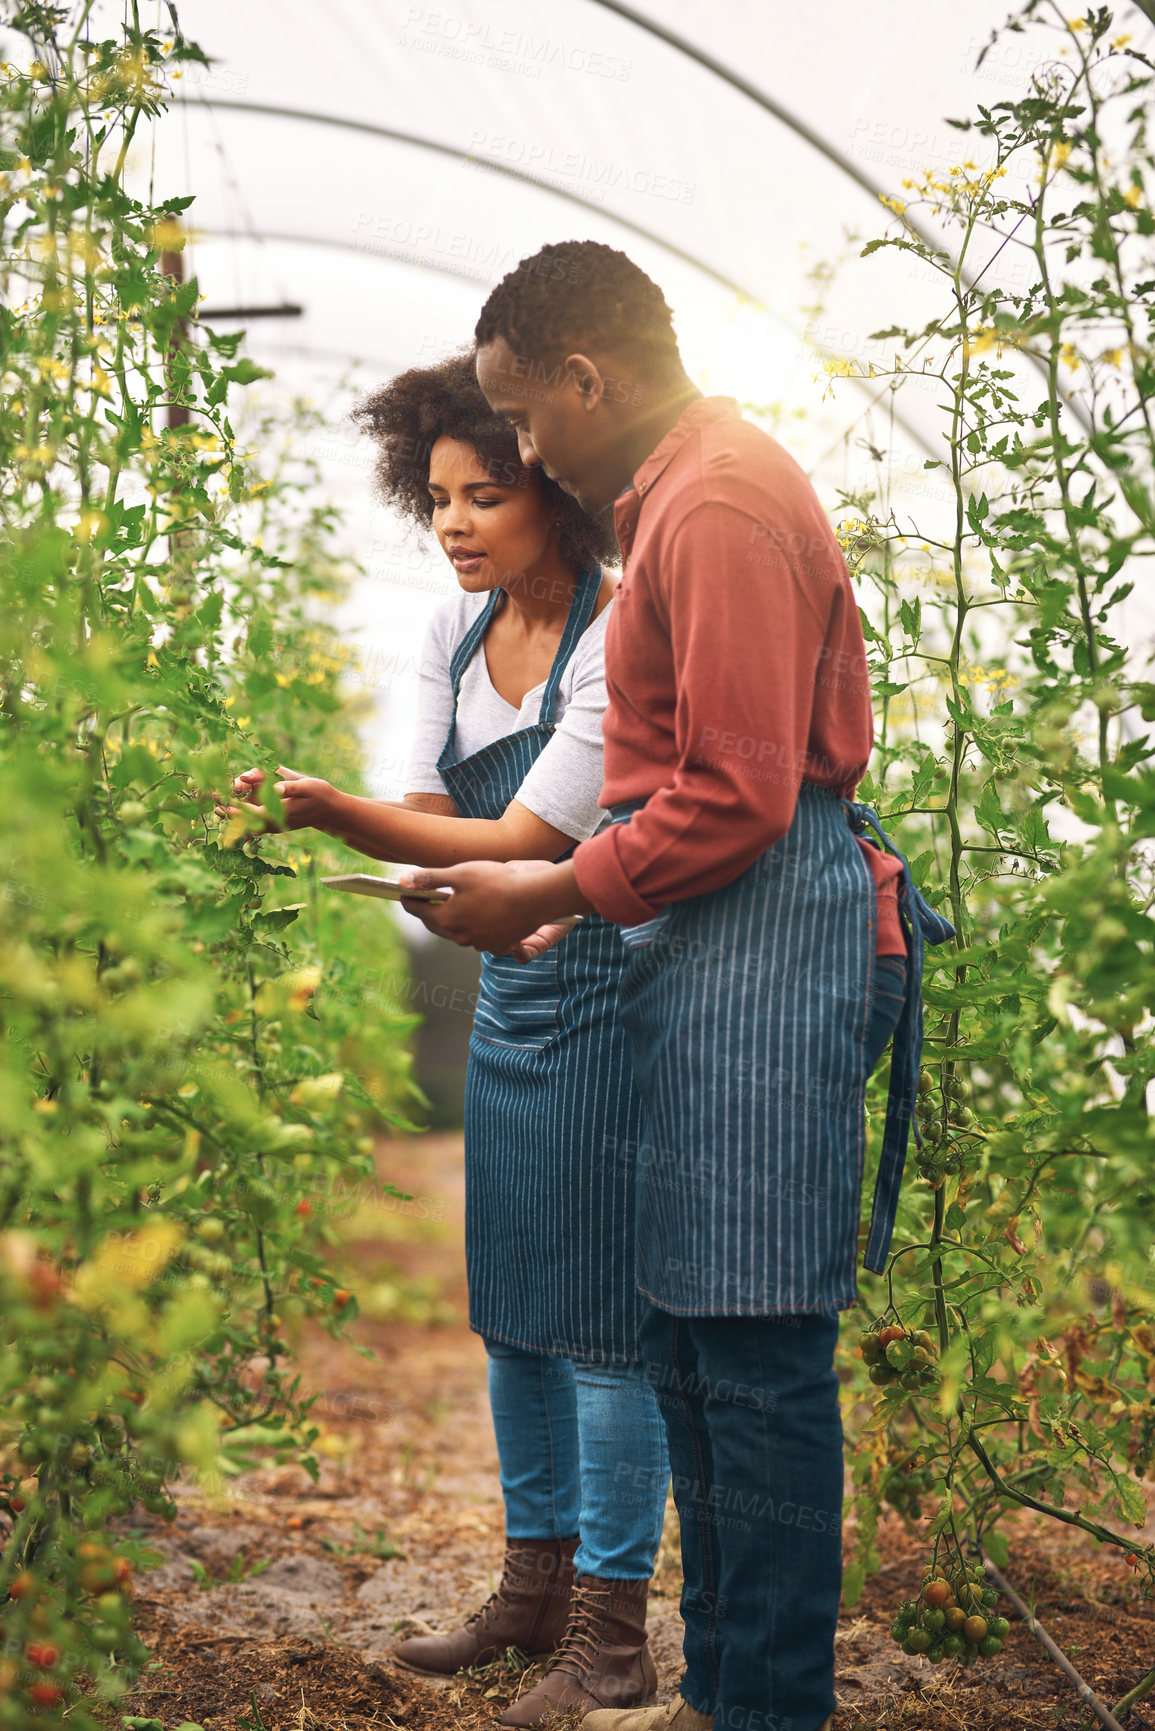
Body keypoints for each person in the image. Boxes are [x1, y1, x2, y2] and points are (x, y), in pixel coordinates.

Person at [399, 244, 954, 1731]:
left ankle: (764, 1701)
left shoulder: (711, 502)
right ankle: (727, 1688)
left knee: (758, 1352)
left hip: (769, 935)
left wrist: (557, 886)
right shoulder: (685, 498)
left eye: (521, 419)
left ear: (588, 379)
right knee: (698, 1342)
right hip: (719, 940)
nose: (518, 451)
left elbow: (740, 794)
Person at [232, 350, 670, 1727]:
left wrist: (330, 813)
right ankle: (527, 1593)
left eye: (490, 493)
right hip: (513, 994)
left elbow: (528, 839)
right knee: (514, 1313)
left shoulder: (615, 635)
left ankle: (611, 1632)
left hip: (610, 992)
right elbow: (440, 819)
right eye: (439, 498)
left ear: (557, 492)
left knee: (603, 1323)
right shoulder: (451, 634)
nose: (460, 523)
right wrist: (420, 865)